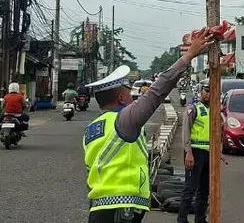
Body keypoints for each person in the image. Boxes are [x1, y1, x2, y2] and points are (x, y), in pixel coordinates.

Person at [83, 28, 218, 223]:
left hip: (100, 208)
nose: (134, 96)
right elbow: (157, 91)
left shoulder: (93, 128)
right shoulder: (124, 120)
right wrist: (188, 56)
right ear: (121, 98)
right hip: (121, 209)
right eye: (129, 92)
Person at [178, 82, 211, 223]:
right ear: (200, 91)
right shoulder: (193, 108)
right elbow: (185, 132)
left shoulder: (212, 109)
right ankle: (182, 220)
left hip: (208, 153)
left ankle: (200, 219)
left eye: (211, 92)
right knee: (190, 188)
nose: (209, 94)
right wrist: (188, 152)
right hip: (194, 153)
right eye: (206, 91)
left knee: (204, 189)